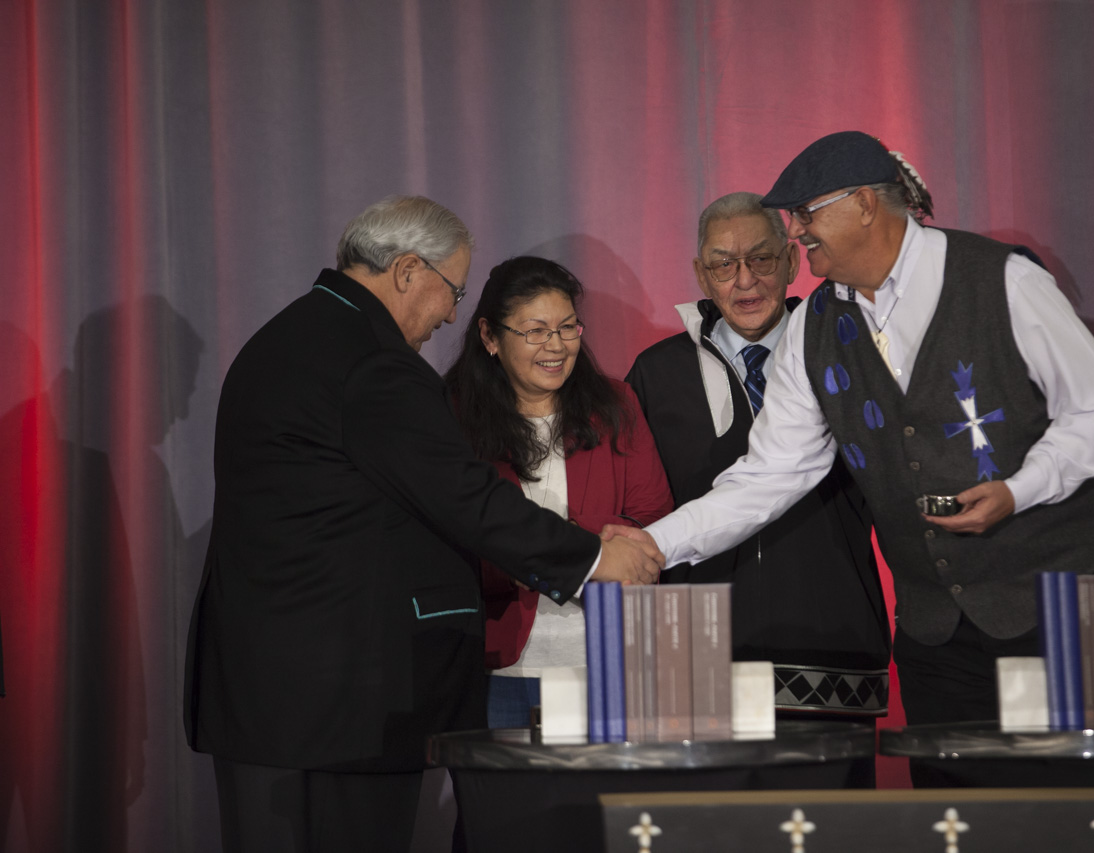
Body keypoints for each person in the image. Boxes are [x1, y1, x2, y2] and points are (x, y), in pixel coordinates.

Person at [618, 131, 1094, 740]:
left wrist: (1019, 490)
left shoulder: (1004, 280)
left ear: (864, 204)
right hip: (935, 631)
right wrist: (646, 546)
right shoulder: (815, 323)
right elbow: (770, 474)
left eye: (807, 213)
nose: (798, 231)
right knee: (961, 819)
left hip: (1068, 603)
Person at [183, 196, 661, 853]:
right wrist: (589, 557)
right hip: (345, 703)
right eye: (452, 291)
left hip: (266, 692)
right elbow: (462, 496)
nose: (450, 315)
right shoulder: (371, 361)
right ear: (408, 270)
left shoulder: (283, 338)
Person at [626, 192, 890, 720]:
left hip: (834, 648)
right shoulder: (656, 374)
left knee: (831, 806)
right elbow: (636, 509)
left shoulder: (847, 353)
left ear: (792, 262)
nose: (744, 281)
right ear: (702, 275)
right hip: (696, 657)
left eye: (761, 259)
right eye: (723, 264)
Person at [445, 256, 673, 728]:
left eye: (568, 328)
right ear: (490, 336)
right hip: (499, 665)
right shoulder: (451, 418)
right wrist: (528, 560)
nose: (556, 346)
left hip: (610, 661)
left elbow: (654, 520)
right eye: (535, 330)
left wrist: (568, 547)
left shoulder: (615, 405)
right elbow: (444, 542)